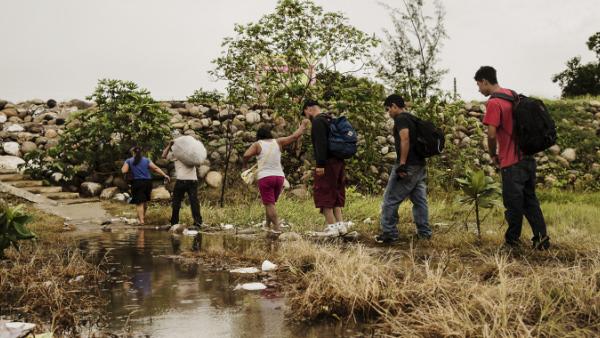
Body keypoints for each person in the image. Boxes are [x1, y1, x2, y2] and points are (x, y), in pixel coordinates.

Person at [474, 66, 550, 250]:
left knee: (513, 204)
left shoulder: (494, 103)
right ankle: (541, 240)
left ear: (485, 81)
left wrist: (493, 154)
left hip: (511, 162)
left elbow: (491, 134)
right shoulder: (513, 95)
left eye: (478, 85)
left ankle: (512, 242)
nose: (478, 89)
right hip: (528, 159)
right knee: (530, 201)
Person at [374, 94, 432, 244]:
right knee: (420, 200)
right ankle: (424, 233)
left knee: (390, 199)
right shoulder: (412, 118)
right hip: (419, 165)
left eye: (388, 109)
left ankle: (389, 233)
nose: (389, 113)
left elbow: (405, 139)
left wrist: (402, 163)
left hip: (408, 165)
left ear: (394, 106)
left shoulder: (401, 119)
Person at [242, 121, 309, 235]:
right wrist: (303, 125)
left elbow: (246, 155)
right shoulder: (278, 142)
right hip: (279, 177)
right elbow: (294, 136)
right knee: (271, 203)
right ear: (269, 134)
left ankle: (277, 228)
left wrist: (245, 166)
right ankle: (268, 225)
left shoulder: (257, 144)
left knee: (269, 203)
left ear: (259, 136)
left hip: (265, 177)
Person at [301, 99, 348, 236]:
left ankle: (331, 227)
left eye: (305, 113)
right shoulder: (330, 119)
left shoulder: (317, 121)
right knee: (336, 191)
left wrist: (320, 164)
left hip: (327, 163)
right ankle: (340, 226)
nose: (307, 117)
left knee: (324, 192)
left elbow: (320, 144)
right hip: (338, 161)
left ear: (309, 109)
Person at [121, 146, 170, 225]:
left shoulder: (129, 160)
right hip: (148, 182)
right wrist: (165, 175)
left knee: (139, 202)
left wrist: (130, 168)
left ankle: (141, 221)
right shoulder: (146, 160)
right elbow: (156, 168)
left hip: (137, 183)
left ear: (133, 153)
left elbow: (124, 170)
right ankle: (142, 218)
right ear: (141, 152)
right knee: (144, 201)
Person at [162, 139, 203, 229]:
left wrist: (169, 145)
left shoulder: (178, 155)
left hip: (184, 181)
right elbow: (164, 156)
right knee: (192, 202)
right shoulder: (186, 155)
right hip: (189, 181)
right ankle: (197, 223)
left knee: (179, 202)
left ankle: (175, 223)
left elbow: (164, 155)